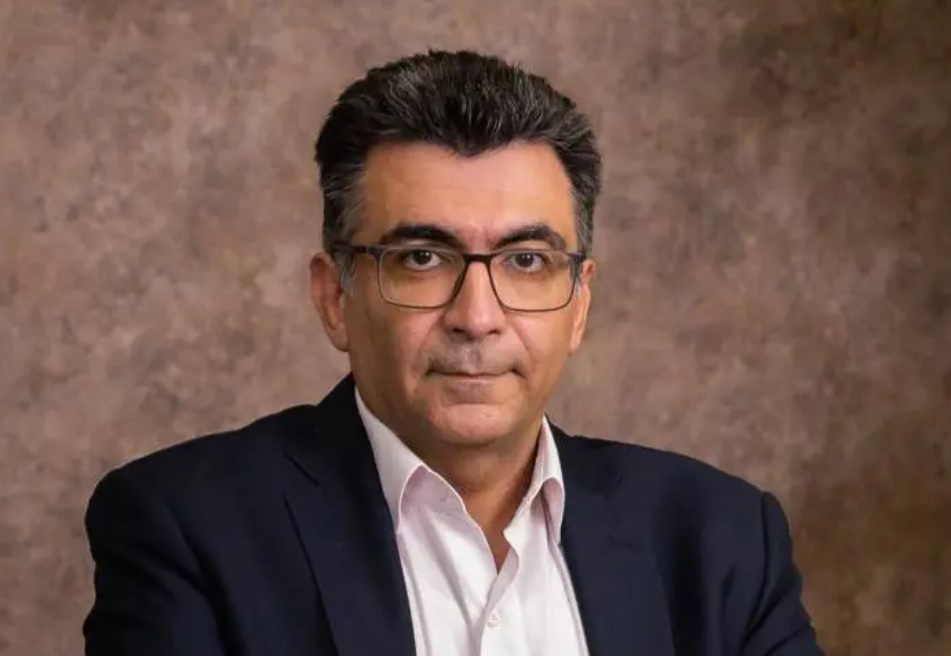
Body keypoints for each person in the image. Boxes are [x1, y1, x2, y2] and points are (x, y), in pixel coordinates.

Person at [83, 49, 825, 656]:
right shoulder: (189, 528)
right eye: (421, 258)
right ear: (335, 298)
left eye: (526, 261)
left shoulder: (723, 540)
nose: (477, 318)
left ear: (579, 303)